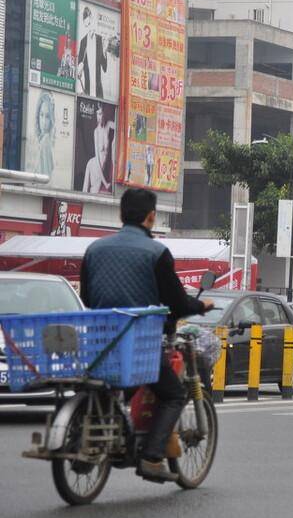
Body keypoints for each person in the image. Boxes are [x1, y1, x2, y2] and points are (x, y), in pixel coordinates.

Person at [78, 188, 211, 483]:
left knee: (114, 384)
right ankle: (151, 457)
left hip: (100, 341)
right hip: (140, 344)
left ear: (120, 215)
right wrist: (201, 305)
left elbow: (87, 297)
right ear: (151, 217)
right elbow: (176, 302)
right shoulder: (156, 253)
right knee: (174, 394)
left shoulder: (94, 249)